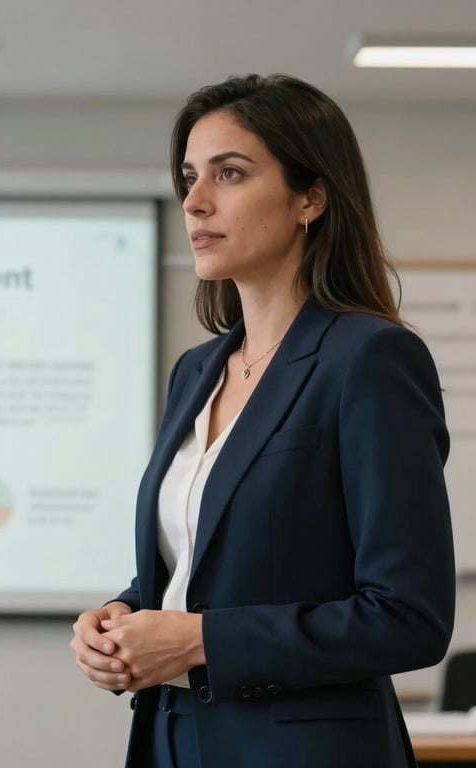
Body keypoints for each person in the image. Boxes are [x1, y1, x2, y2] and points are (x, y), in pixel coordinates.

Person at [70, 73, 455, 768]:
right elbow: (210, 568)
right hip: (171, 739)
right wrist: (122, 617)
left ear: (310, 197)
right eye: (189, 177)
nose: (194, 201)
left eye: (231, 173)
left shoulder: (370, 359)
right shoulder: (196, 373)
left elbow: (409, 617)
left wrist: (199, 642)